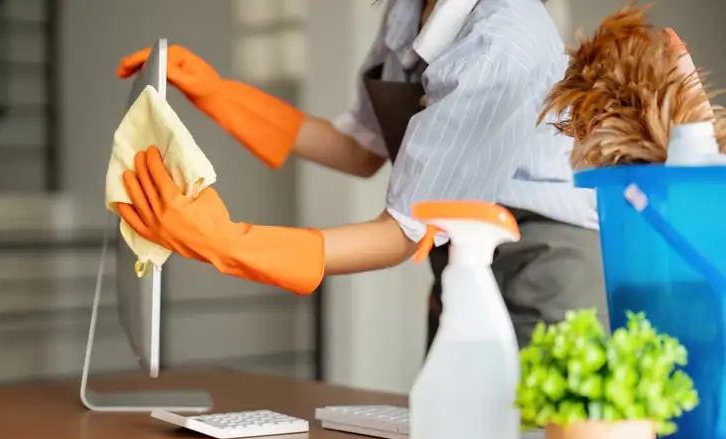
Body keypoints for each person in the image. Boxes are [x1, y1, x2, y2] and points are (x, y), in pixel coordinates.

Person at [114, 0, 608, 348]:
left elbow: (402, 233)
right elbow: (360, 149)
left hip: (541, 272)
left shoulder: (504, 40)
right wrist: (221, 95)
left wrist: (230, 243)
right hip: (461, 266)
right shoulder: (410, 10)